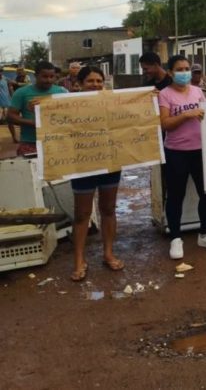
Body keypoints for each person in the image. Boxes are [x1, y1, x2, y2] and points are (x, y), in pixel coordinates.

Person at [159, 55, 206, 259]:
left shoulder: (198, 91)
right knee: (176, 196)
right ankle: (176, 239)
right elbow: (165, 124)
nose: (184, 72)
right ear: (170, 72)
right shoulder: (164, 94)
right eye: (179, 69)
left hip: (201, 150)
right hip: (176, 152)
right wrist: (186, 115)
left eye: (187, 68)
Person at [69, 66, 124, 282]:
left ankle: (108, 253)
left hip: (110, 161)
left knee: (108, 209)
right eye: (90, 81)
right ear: (80, 84)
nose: (95, 85)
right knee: (82, 214)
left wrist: (148, 99)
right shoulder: (67, 105)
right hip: (82, 165)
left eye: (99, 81)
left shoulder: (112, 102)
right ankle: (79, 260)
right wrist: (40, 107)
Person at [8, 61, 67, 156]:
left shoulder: (61, 92)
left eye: (52, 77)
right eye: (45, 77)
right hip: (30, 142)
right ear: (36, 76)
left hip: (56, 141)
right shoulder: (21, 93)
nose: (49, 80)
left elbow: (69, 114)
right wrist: (34, 123)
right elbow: (11, 116)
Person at [0, 72, 16, 143]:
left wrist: (12, 98)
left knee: (10, 121)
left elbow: (12, 85)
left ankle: (14, 137)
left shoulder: (5, 79)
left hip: (7, 103)